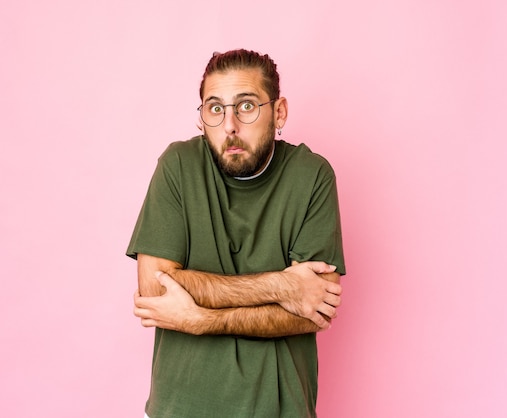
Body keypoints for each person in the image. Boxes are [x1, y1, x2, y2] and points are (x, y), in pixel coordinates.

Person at [127, 49, 346, 418]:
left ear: (279, 112)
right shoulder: (178, 166)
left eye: (246, 106)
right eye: (215, 109)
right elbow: (154, 288)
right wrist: (282, 287)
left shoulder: (312, 177)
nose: (229, 125)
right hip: (181, 408)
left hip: (280, 408)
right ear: (202, 119)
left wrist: (202, 320)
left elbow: (313, 310)